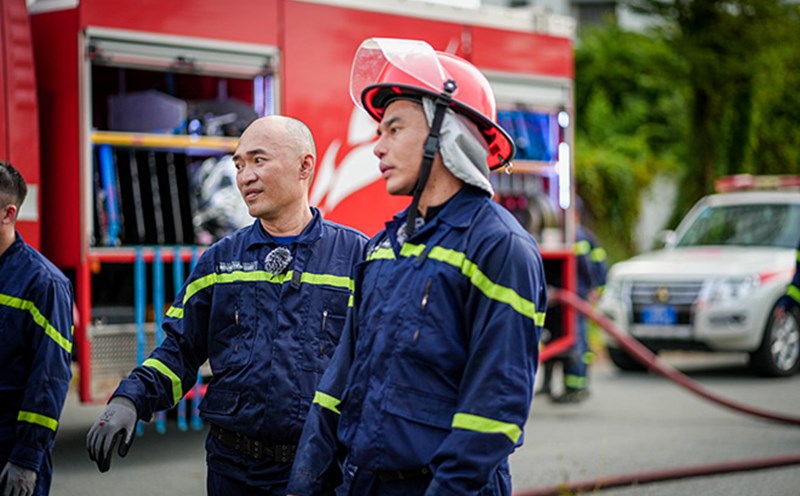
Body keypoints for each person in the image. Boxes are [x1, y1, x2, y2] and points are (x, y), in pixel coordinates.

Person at [287, 38, 548, 496]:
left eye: (393, 129)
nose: (377, 148)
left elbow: (495, 409)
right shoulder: (383, 247)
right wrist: (305, 483)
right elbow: (339, 382)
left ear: (446, 134)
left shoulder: (499, 247)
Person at [86, 116, 367, 495]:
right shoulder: (219, 262)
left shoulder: (358, 258)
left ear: (305, 166)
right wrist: (130, 399)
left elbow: (381, 364)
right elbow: (180, 351)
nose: (245, 176)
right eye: (238, 164)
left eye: (258, 160)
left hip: (323, 470)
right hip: (233, 470)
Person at [0, 161, 74, 496]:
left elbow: (50, 376)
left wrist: (28, 456)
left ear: (7, 214)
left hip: (9, 447)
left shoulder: (44, 283)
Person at [550, 197, 607, 404]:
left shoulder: (578, 237)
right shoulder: (586, 236)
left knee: (578, 342)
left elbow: (588, 267)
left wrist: (593, 290)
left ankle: (575, 387)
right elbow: (600, 267)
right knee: (577, 341)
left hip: (577, 296)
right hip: (578, 296)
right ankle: (576, 385)